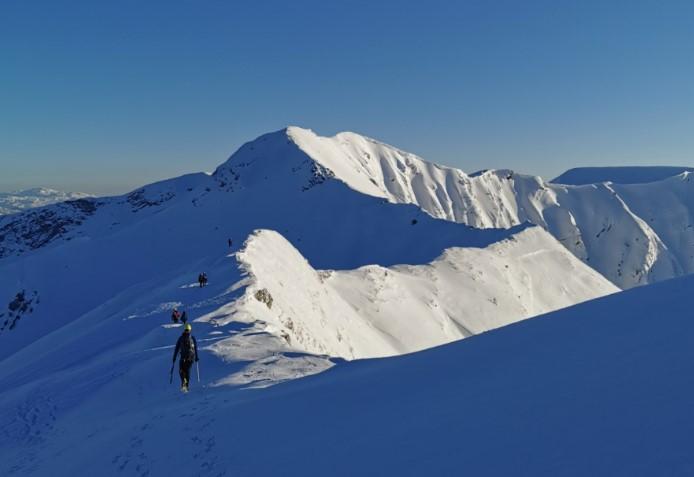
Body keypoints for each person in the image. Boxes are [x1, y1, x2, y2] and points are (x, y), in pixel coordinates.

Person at [172, 323, 199, 392]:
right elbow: (195, 348)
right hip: (190, 357)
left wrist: (174, 357)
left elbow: (177, 348)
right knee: (185, 371)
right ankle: (185, 385)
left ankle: (185, 385)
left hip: (186, 357)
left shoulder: (181, 338)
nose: (187, 331)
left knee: (183, 371)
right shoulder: (192, 338)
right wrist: (196, 357)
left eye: (187, 330)